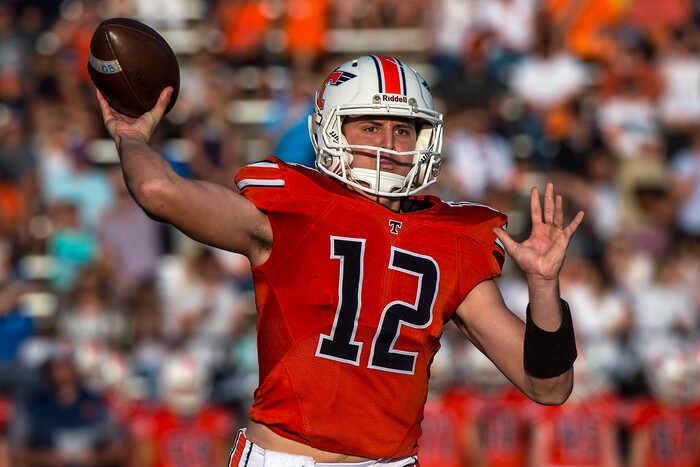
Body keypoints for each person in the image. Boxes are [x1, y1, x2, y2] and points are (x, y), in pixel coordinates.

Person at [95, 54, 584, 465]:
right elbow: (159, 191)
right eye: (370, 126)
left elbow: (549, 386)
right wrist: (130, 137)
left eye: (403, 130)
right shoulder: (294, 207)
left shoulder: (452, 237)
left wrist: (544, 288)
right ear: (331, 129)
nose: (389, 147)